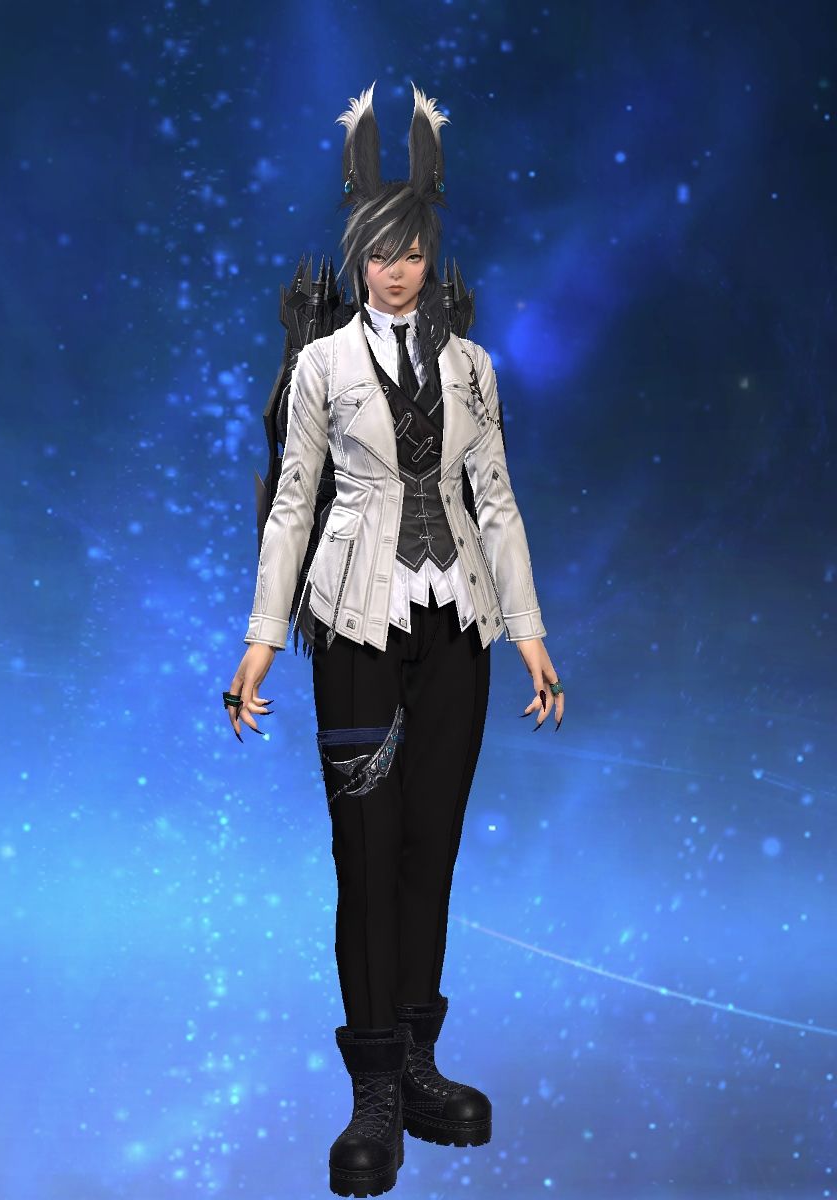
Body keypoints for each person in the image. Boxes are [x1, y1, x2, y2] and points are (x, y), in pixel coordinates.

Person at [224, 82, 565, 1197]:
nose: (397, 270)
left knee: (431, 848)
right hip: (355, 622)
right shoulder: (323, 367)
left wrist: (529, 633)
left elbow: (497, 503)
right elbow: (293, 503)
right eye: (379, 253)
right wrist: (261, 639)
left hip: (458, 625)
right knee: (365, 854)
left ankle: (417, 1062)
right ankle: (372, 1088)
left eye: (412, 251)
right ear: (358, 257)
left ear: (430, 254)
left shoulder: (473, 368)